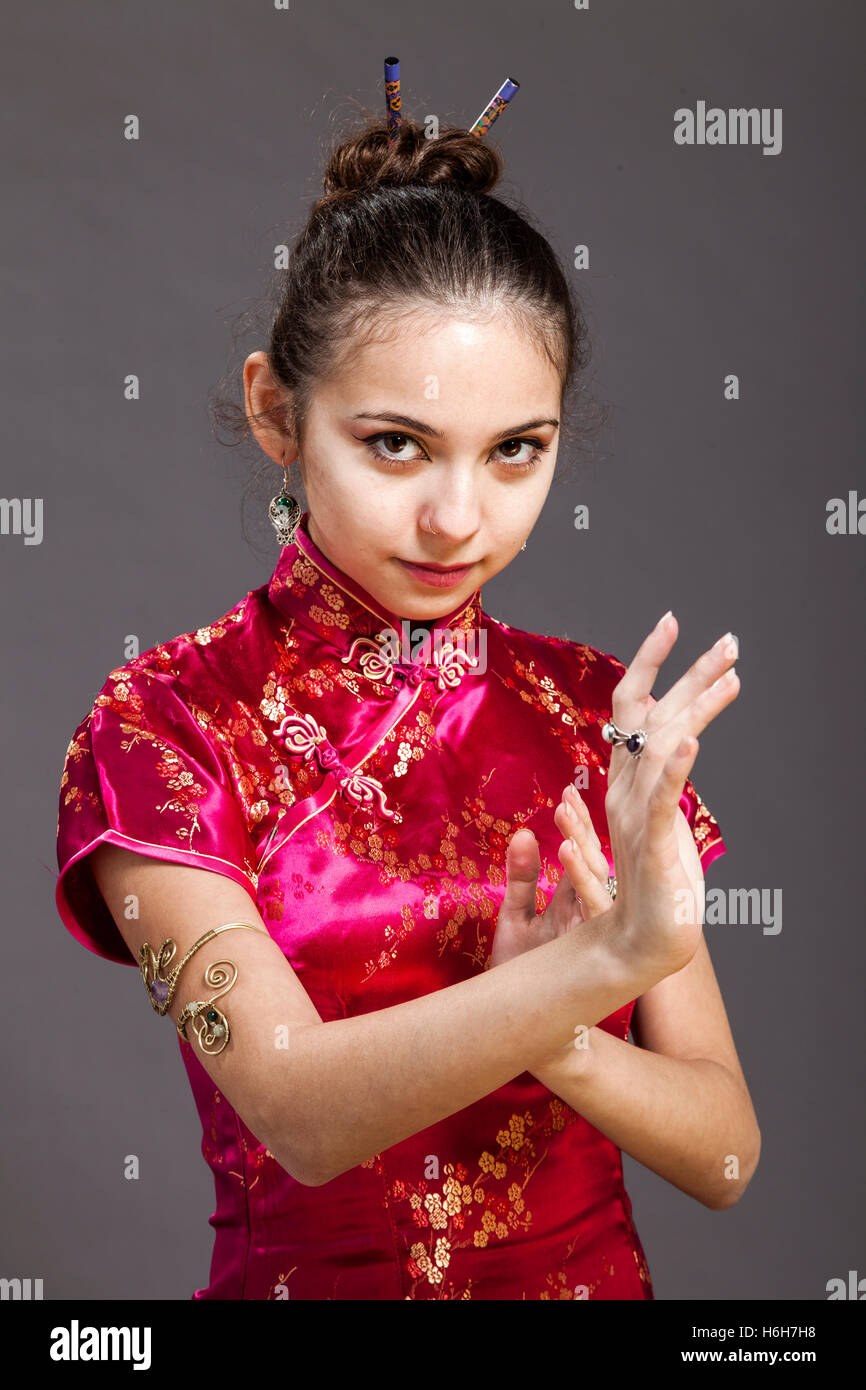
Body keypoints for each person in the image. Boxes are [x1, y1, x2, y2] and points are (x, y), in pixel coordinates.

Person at [54, 109, 759, 1301]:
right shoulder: (163, 728)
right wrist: (597, 969)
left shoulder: (593, 713)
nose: (457, 518)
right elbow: (303, 1114)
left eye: (513, 451)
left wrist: (561, 1031)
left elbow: (723, 1152)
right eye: (394, 445)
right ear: (279, 413)